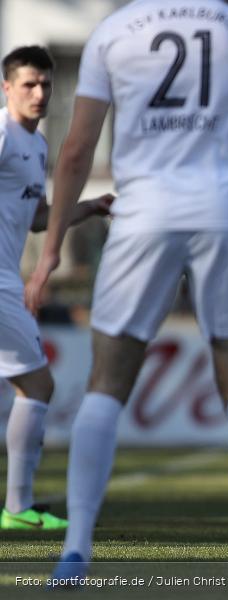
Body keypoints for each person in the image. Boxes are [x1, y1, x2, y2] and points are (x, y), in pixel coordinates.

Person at [24, 1, 228, 592]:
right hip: (222, 205)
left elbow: (75, 152)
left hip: (143, 213)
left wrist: (48, 256)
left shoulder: (115, 31)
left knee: (107, 385)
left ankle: (76, 550)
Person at [0, 46, 112, 532]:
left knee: (33, 386)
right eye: (28, 84)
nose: (40, 93)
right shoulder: (2, 134)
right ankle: (18, 509)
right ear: (6, 88)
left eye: (46, 84)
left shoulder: (37, 146)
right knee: (38, 384)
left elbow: (39, 218)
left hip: (7, 275)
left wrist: (89, 207)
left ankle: (17, 508)